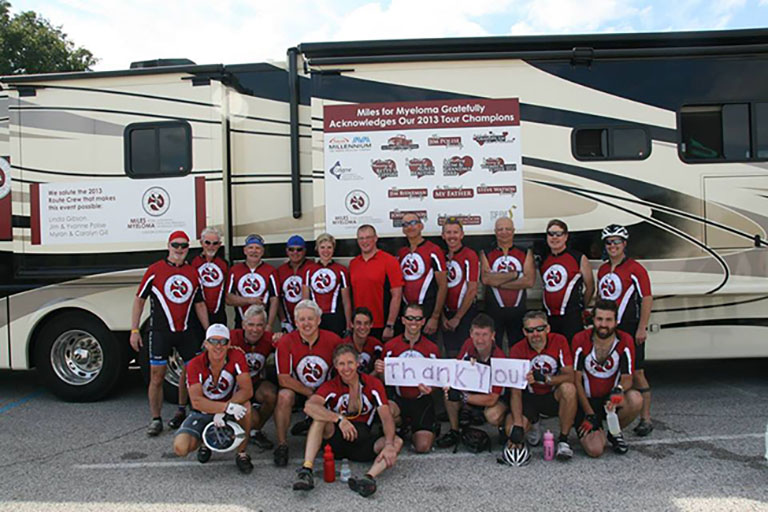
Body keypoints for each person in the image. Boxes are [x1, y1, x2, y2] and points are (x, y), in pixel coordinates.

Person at [293, 344, 403, 497]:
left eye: (350, 363)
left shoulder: (372, 384)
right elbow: (309, 407)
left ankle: (368, 478)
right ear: (336, 366)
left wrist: (389, 445)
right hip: (335, 441)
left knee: (396, 442)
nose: (346, 368)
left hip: (362, 440)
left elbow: (386, 417)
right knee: (319, 419)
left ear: (358, 363)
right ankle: (306, 470)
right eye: (341, 364)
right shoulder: (331, 385)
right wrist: (339, 419)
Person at [129, 230, 209, 436]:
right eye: (176, 245)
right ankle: (156, 419)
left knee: (192, 375)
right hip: (160, 332)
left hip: (186, 332)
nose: (179, 250)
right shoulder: (155, 270)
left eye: (184, 246)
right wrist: (134, 330)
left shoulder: (192, 272)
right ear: (168, 246)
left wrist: (208, 331)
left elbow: (199, 303)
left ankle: (185, 411)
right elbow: (139, 300)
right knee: (157, 377)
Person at [173, 324, 254, 473]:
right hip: (203, 411)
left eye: (223, 342)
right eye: (213, 341)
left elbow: (247, 389)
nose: (218, 346)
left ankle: (242, 453)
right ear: (206, 344)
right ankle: (206, 442)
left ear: (229, 344)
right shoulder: (195, 364)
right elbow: (196, 400)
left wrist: (226, 409)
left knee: (246, 406)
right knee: (181, 447)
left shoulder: (236, 356)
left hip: (230, 407)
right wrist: (224, 408)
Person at [597, 224, 654, 436]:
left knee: (637, 373)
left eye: (617, 242)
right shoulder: (603, 269)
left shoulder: (635, 269)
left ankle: (646, 418)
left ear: (624, 244)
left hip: (630, 327)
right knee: (614, 372)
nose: (613, 246)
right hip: (608, 331)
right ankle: (614, 413)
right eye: (609, 242)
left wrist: (642, 327)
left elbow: (647, 298)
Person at [273, 299, 342, 466]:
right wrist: (310, 393)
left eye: (310, 319)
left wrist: (321, 395)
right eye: (302, 320)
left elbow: (342, 371)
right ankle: (282, 444)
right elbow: (283, 378)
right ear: (296, 322)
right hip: (300, 390)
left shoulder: (333, 340)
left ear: (319, 320)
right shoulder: (286, 342)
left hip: (325, 391)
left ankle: (314, 426)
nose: (306, 323)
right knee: (283, 396)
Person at [172, 227, 229, 430]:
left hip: (218, 319)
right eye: (207, 243)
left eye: (215, 243)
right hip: (194, 321)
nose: (211, 247)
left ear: (219, 245)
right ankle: (181, 408)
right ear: (201, 243)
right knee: (190, 365)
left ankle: (212, 405)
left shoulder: (224, 264)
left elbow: (228, 295)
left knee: (218, 362)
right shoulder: (192, 263)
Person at [572, 299, 643, 457]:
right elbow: (576, 380)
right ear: (593, 320)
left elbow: (627, 377)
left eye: (608, 320)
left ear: (616, 321)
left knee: (636, 398)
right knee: (595, 450)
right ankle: (598, 431)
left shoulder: (625, 340)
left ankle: (613, 432)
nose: (603, 324)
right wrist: (589, 414)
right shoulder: (580, 339)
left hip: (609, 400)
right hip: (586, 402)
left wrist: (617, 391)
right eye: (599, 319)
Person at [507, 310, 577, 461]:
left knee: (569, 389)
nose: (535, 334)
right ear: (524, 332)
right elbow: (515, 392)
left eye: (539, 329)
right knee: (510, 431)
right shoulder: (517, 349)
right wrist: (518, 425)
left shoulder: (559, 340)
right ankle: (533, 423)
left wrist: (547, 379)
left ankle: (564, 440)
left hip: (551, 394)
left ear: (547, 329)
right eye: (530, 330)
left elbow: (570, 376)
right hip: (530, 397)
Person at [435, 313, 508, 449]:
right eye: (477, 334)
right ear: (471, 334)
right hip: (473, 393)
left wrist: (463, 397)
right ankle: (454, 430)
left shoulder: (499, 358)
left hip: (494, 398)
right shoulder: (469, 344)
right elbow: (456, 370)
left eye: (485, 335)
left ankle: (503, 429)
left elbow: (492, 399)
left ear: (493, 335)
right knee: (448, 393)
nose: (480, 340)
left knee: (493, 415)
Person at [374, 303, 439, 453]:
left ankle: (419, 428)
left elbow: (438, 380)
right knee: (387, 409)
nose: (413, 323)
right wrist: (380, 371)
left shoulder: (432, 348)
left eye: (417, 319)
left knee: (423, 447)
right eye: (410, 318)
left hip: (421, 400)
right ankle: (399, 426)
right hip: (398, 398)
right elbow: (385, 381)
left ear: (423, 321)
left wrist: (430, 389)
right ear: (403, 320)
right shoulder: (390, 346)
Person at [480, 216, 535, 351]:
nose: (504, 232)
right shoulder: (485, 252)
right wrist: (515, 275)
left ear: (513, 231)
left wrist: (498, 282)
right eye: (500, 229)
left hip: (518, 310)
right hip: (493, 310)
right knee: (493, 348)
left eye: (507, 229)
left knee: (518, 348)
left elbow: (529, 281)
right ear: (495, 232)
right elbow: (486, 279)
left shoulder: (525, 252)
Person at [229, 304, 277, 450]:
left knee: (271, 394)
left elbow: (290, 345)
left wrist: (282, 338)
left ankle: (255, 431)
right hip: (233, 386)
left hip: (254, 382)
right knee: (251, 418)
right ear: (243, 324)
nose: (255, 329)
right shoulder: (231, 337)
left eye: (259, 325)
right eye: (250, 324)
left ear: (265, 326)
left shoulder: (269, 339)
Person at [539, 219, 594, 344]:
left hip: (571, 317)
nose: (554, 238)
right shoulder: (544, 259)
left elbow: (590, 287)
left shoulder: (578, 257)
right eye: (551, 234)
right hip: (549, 317)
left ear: (566, 236)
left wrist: (581, 307)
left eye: (559, 234)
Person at [349, 224, 404, 341]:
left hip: (380, 325)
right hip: (359, 326)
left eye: (368, 237)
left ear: (375, 238)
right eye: (361, 238)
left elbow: (397, 295)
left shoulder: (389, 261)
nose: (365, 241)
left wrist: (390, 325)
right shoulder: (354, 263)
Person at [397, 213, 447, 339]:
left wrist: (435, 317)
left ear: (421, 226)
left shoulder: (434, 250)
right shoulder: (402, 252)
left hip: (427, 312)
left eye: (413, 223)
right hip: (406, 312)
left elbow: (443, 285)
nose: (410, 227)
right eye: (405, 224)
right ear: (403, 229)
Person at [440, 216, 479, 357]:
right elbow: (438, 288)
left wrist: (458, 317)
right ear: (443, 235)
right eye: (448, 232)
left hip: (465, 314)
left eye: (455, 232)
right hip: (446, 314)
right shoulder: (441, 256)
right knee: (450, 353)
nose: (452, 236)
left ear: (462, 235)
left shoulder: (470, 255)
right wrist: (442, 316)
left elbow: (472, 289)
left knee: (466, 354)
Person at [302, 232, 352, 336]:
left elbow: (346, 301)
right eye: (322, 247)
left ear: (333, 249)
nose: (326, 251)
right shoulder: (308, 270)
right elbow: (305, 301)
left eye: (329, 247)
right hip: (315, 317)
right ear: (317, 249)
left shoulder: (341, 270)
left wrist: (348, 325)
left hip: (335, 318)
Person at [226, 233, 279, 329]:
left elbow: (274, 299)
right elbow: (228, 299)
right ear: (245, 250)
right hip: (240, 324)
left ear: (262, 251)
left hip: (262, 325)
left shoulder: (270, 271)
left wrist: (269, 324)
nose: (254, 251)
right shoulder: (234, 270)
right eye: (250, 248)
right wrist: (250, 300)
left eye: (258, 248)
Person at [277, 235, 314, 332]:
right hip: (289, 319)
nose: (295, 252)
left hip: (308, 319)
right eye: (291, 249)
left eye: (299, 249)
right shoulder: (281, 270)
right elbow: (278, 298)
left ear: (305, 251)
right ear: (287, 251)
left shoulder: (312, 267)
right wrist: (283, 320)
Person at [341, 307, 383, 374]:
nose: (362, 327)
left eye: (366, 323)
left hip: (370, 383)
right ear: (351, 324)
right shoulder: (343, 345)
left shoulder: (376, 345)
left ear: (371, 325)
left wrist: (376, 371)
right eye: (358, 323)